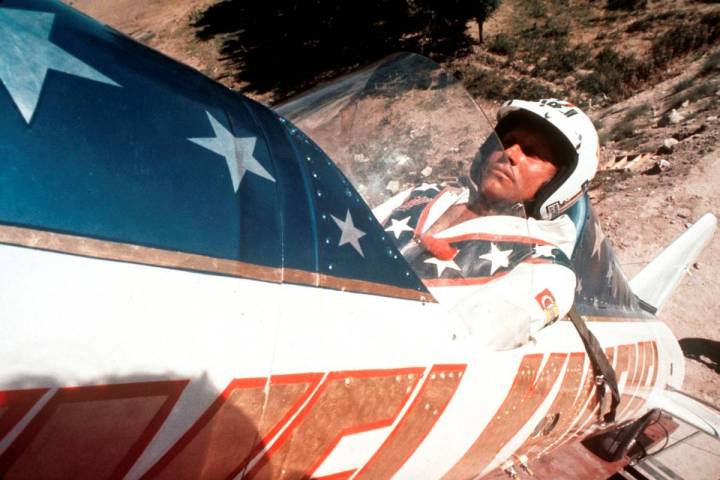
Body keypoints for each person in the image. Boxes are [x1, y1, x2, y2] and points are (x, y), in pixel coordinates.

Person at [374, 99, 599, 348]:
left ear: (560, 182)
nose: (510, 153)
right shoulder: (423, 194)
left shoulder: (546, 266)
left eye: (532, 152)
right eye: (507, 141)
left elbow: (464, 341)